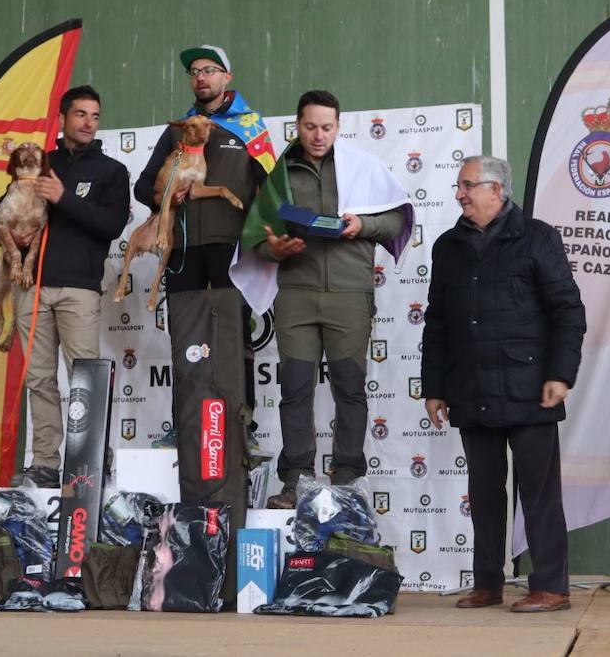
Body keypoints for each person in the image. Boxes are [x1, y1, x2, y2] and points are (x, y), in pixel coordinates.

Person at [422, 155, 585, 613]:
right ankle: (487, 583)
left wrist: (560, 374)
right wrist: (433, 386)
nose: (460, 194)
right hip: (470, 388)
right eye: (459, 186)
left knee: (539, 492)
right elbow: (436, 323)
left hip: (530, 385)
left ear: (497, 190)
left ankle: (551, 586)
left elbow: (567, 312)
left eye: (468, 185)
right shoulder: (447, 247)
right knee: (484, 493)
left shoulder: (537, 238)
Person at [251, 90, 408, 508]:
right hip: (296, 295)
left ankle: (348, 477)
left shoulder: (361, 167)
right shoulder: (279, 173)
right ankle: (296, 479)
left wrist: (363, 223)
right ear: (296, 126)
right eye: (309, 126)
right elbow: (256, 237)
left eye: (327, 127)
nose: (318, 135)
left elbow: (396, 219)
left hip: (350, 294)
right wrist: (275, 250)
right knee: (295, 389)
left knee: (350, 389)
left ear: (338, 126)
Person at [0, 86, 129, 488]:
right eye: (81, 115)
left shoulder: (111, 171)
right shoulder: (38, 162)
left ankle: (88, 461)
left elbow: (111, 225)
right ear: (63, 118)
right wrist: (11, 240)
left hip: (79, 288)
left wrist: (64, 198)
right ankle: (46, 462)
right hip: (30, 287)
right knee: (38, 378)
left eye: (95, 116)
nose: (89, 123)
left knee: (85, 377)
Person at [134, 44, 267, 450]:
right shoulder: (178, 129)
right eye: (194, 71)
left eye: (210, 70)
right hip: (185, 251)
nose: (201, 77)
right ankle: (183, 425)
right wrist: (164, 199)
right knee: (185, 337)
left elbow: (271, 190)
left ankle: (244, 426)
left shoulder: (250, 126)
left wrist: (265, 241)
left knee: (235, 337)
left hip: (232, 248)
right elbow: (144, 187)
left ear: (227, 76)